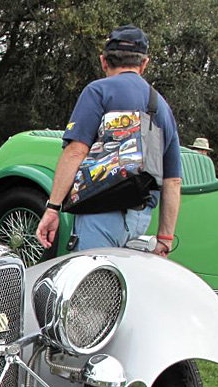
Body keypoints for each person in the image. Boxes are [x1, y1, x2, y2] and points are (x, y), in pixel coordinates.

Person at [36, 25, 181, 258]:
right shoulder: (162, 107)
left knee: (91, 288)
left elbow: (76, 151)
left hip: (100, 213)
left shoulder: (98, 91)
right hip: (139, 220)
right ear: (144, 64)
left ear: (104, 61)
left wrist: (53, 208)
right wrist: (165, 237)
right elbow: (172, 181)